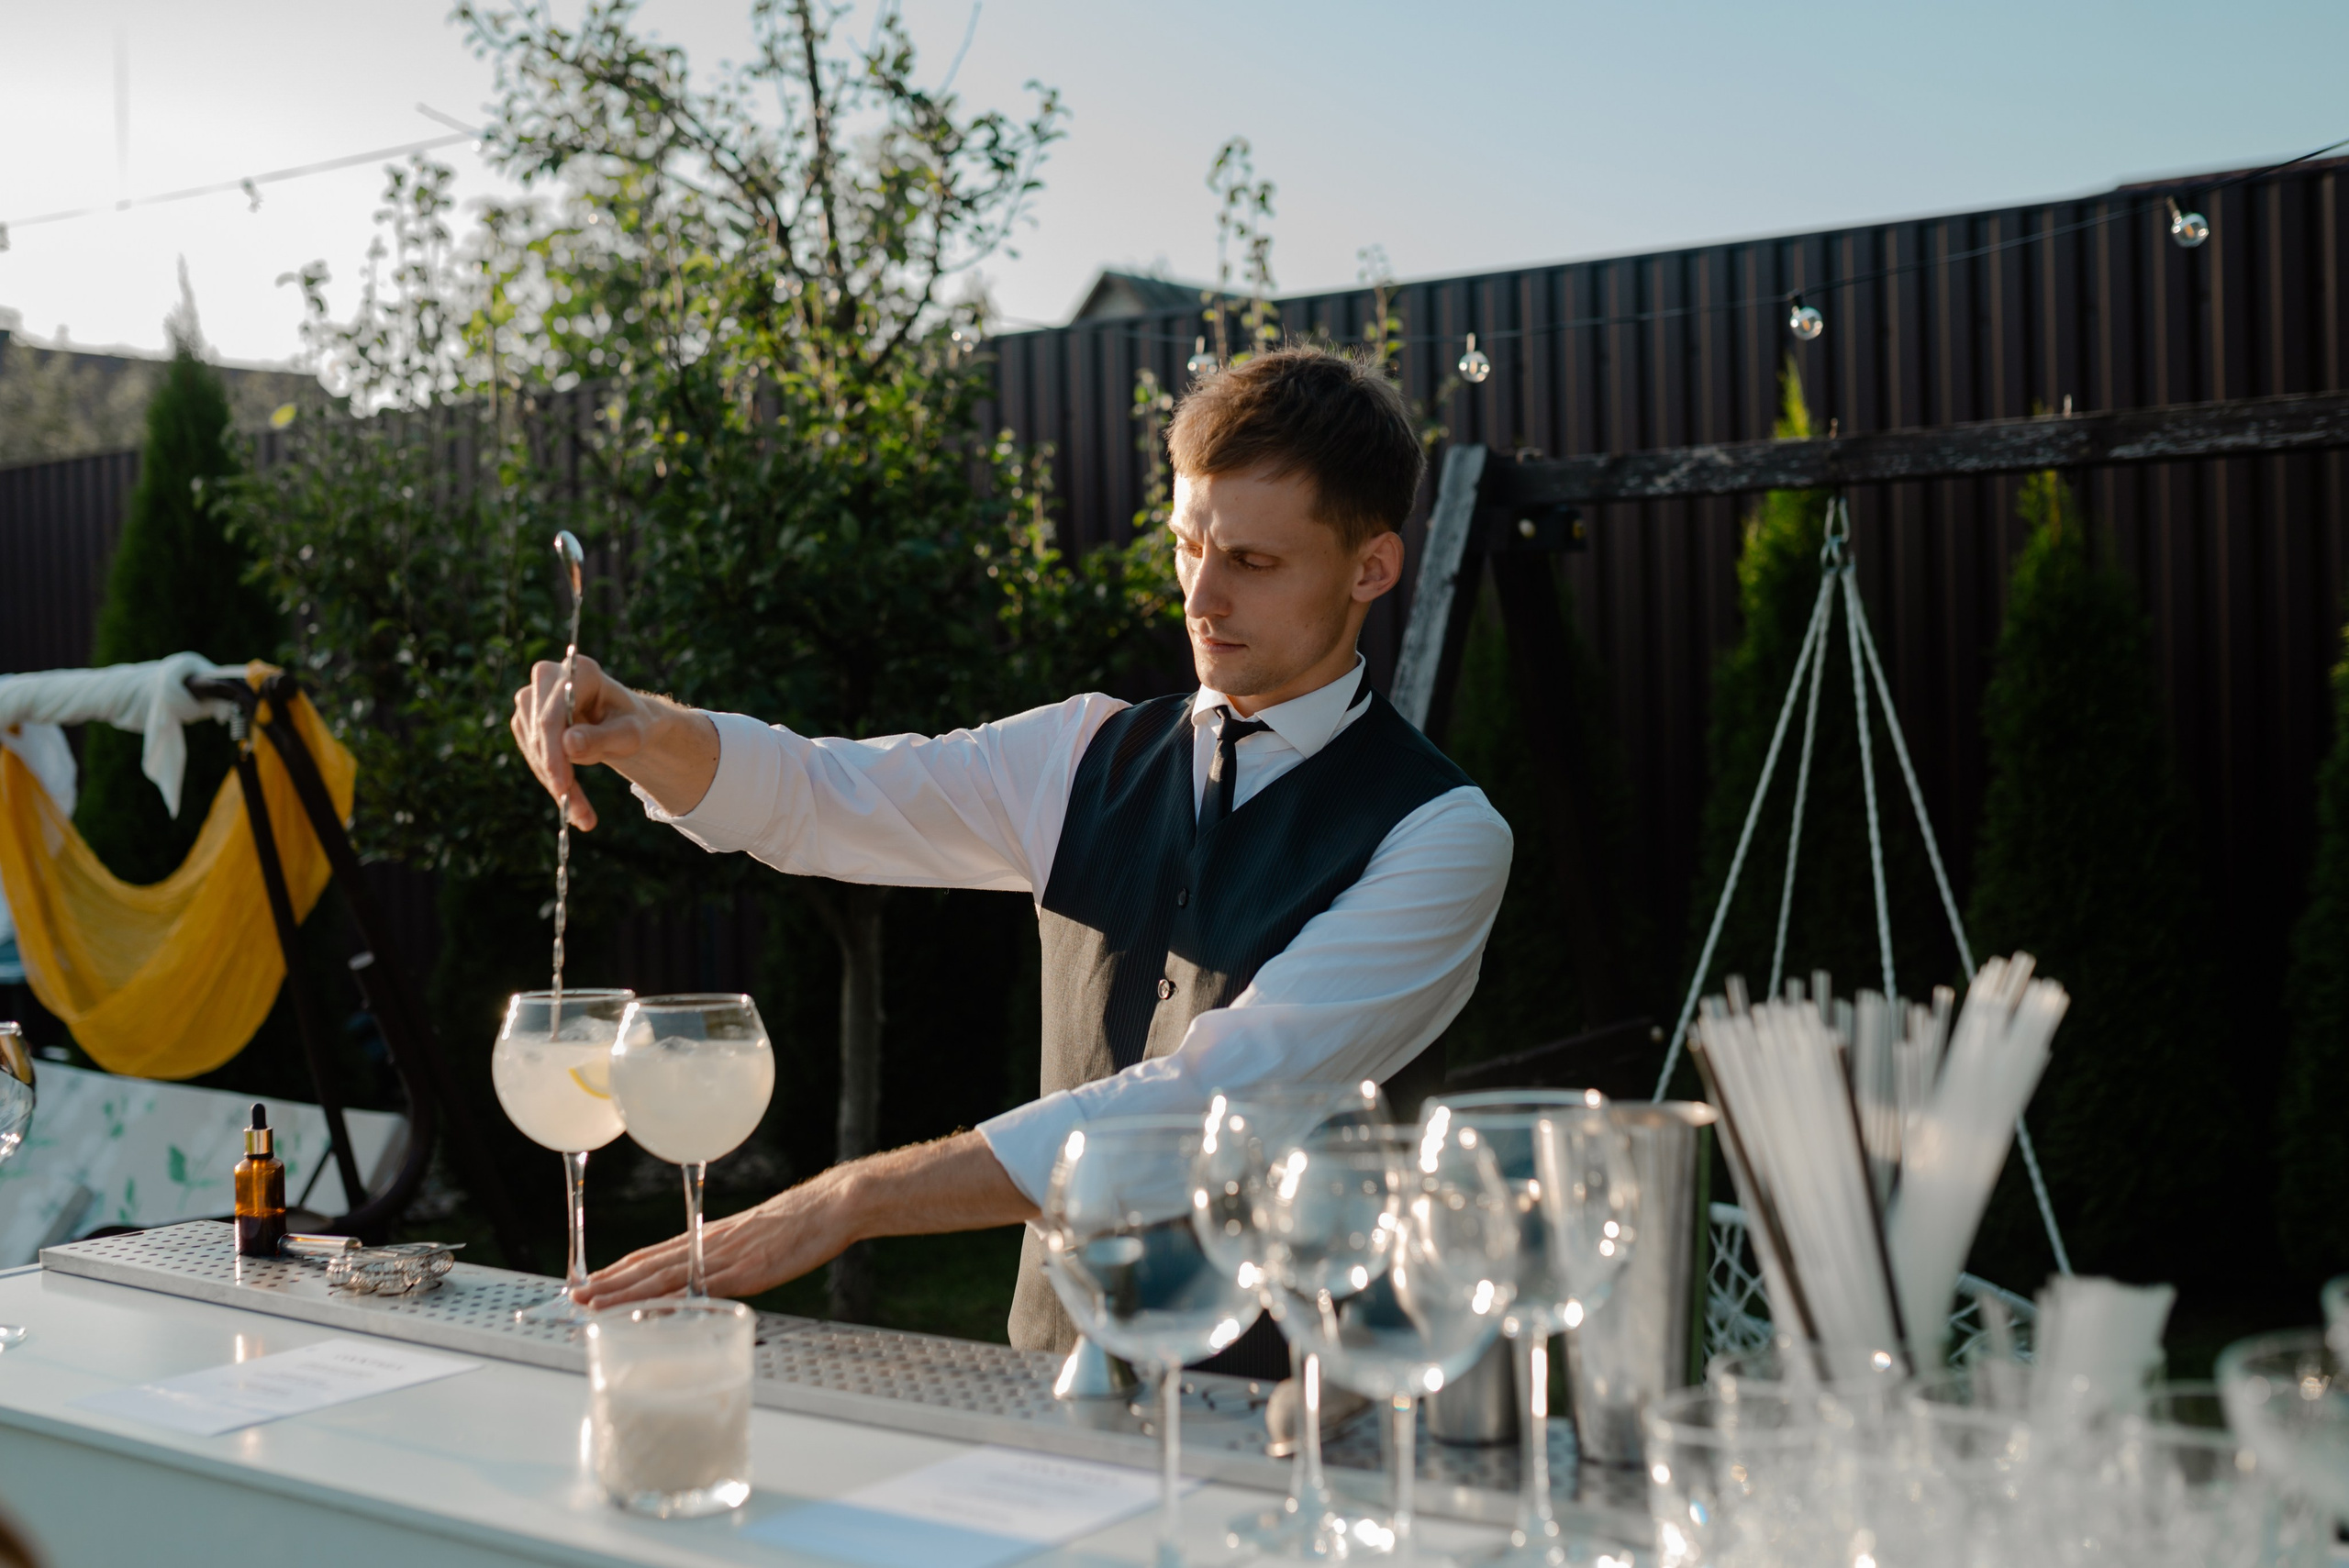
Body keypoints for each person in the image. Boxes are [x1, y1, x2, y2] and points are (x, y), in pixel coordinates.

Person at [512, 343, 1512, 1354]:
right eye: (1184, 546)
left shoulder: (1441, 835)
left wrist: (851, 1196)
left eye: (1252, 562)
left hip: (1293, 1410)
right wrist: (643, 727)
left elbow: (1212, 1101)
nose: (1200, 598)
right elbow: (824, 795)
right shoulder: (1079, 751)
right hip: (1044, 1379)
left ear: (1372, 567)